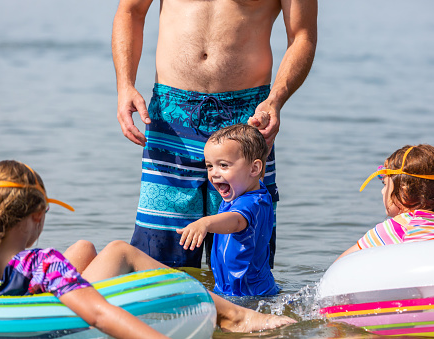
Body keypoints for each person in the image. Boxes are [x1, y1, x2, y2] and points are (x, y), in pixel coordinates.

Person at [111, 0, 318, 268]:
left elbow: (302, 35)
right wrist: (125, 85)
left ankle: (247, 311)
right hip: (172, 114)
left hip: (248, 117)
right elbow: (130, 11)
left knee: (243, 258)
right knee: (158, 258)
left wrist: (275, 100)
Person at [0, 160, 296, 338]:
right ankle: (235, 316)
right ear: (37, 216)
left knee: (83, 248)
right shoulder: (42, 262)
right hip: (52, 321)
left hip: (16, 306)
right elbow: (99, 316)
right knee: (118, 251)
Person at [176, 124, 279, 296]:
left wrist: (205, 223)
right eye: (209, 166)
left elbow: (237, 221)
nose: (214, 173)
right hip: (230, 290)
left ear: (254, 169)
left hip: (250, 295)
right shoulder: (242, 191)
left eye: (223, 165)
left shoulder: (254, 202)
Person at [338, 144, 434, 260]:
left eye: (384, 184)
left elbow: (340, 266)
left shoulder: (397, 229)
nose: (382, 191)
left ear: (405, 191)